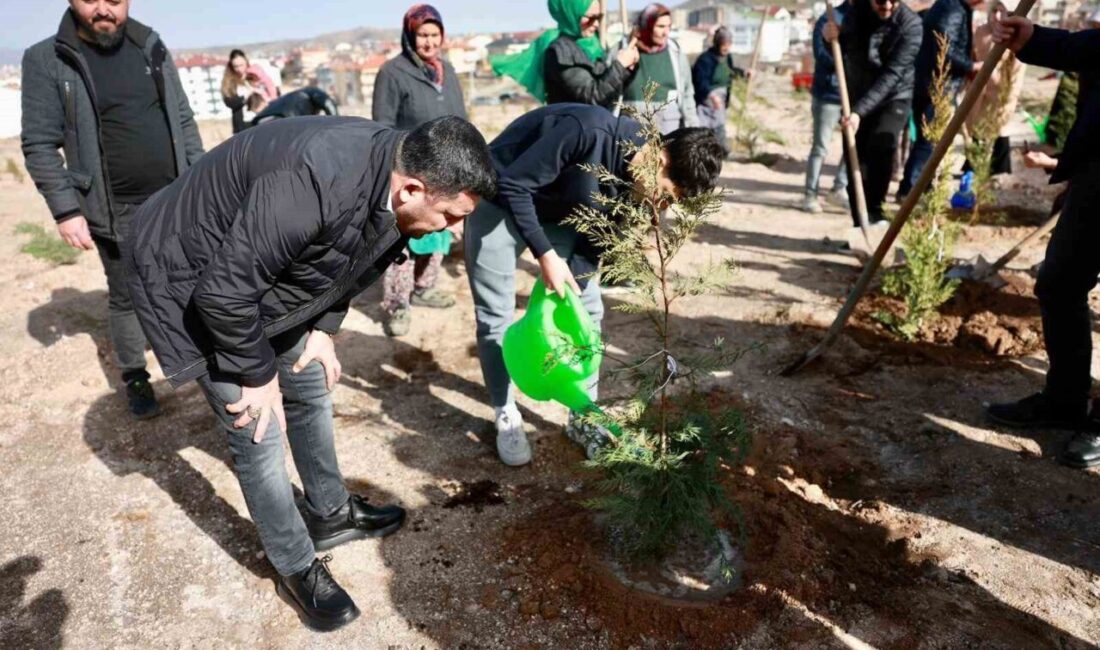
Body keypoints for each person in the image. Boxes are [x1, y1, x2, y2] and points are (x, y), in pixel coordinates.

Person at [125, 115, 496, 629]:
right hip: (189, 273)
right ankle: (295, 565)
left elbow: (358, 254)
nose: (454, 232)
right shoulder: (318, 179)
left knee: (307, 381)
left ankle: (329, 514)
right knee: (257, 430)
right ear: (413, 188)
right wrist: (255, 376)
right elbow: (225, 295)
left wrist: (324, 325)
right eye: (452, 216)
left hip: (252, 270)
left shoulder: (393, 177)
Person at [464, 104, 724, 466]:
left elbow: (593, 239)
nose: (658, 206)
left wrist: (570, 290)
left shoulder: (634, 187)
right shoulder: (586, 131)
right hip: (501, 202)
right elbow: (514, 185)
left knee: (587, 308)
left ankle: (583, 417)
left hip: (560, 215)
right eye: (665, 194)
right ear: (659, 159)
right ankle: (505, 412)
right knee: (496, 313)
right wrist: (545, 255)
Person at [21, 0, 204, 419]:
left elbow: (182, 118)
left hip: (175, 197)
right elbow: (39, 144)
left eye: (115, 1)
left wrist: (204, 181)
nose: (104, 9)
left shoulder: (150, 45)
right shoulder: (47, 59)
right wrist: (67, 210)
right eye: (91, 0)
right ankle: (135, 376)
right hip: (113, 207)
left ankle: (202, 362)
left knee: (194, 279)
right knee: (126, 297)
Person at [984, 10, 1100, 469]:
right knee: (1059, 281)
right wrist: (1034, 40)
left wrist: (1038, 41)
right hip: (1097, 171)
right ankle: (1065, 398)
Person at [372, 4, 467, 336]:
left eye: (434, 35)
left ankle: (425, 288)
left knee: (438, 233)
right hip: (409, 172)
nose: (429, 42)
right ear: (410, 36)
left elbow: (461, 119)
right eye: (422, 35)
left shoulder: (448, 71)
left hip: (445, 171)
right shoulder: (392, 72)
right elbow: (382, 128)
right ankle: (398, 305)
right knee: (402, 242)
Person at [824, 0, 922, 227]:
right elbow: (845, 51)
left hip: (894, 96)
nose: (886, 5)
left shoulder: (911, 25)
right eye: (879, 0)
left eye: (892, 0)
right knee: (854, 160)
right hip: (857, 95)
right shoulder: (856, 13)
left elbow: (892, 74)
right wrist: (829, 38)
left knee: (881, 148)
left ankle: (877, 215)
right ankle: (859, 224)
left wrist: (859, 112)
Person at [897, 0, 985, 200]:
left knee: (928, 140)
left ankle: (920, 188)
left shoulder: (955, 7)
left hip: (932, 83)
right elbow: (943, 47)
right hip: (936, 85)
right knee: (928, 140)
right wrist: (970, 66)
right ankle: (910, 190)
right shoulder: (952, 8)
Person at [491, 0, 639, 107]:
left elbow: (610, 90)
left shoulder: (592, 45)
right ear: (570, 15)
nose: (595, 24)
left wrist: (628, 68)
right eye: (590, 18)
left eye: (598, 17)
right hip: (574, 136)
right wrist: (620, 65)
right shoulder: (560, 51)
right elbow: (592, 97)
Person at [962, 0, 1026, 177]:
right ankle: (972, 165)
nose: (997, 16)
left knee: (1000, 127)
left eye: (1002, 12)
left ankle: (999, 169)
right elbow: (971, 56)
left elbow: (1017, 70)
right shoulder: (980, 32)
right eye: (994, 11)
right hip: (979, 89)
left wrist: (1009, 92)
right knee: (976, 128)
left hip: (1001, 89)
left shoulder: (1015, 37)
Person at [611, 3, 699, 134]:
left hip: (668, 130)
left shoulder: (675, 53)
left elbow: (687, 94)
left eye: (669, 26)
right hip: (631, 130)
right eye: (660, 26)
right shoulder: (623, 49)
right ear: (647, 25)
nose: (666, 32)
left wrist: (693, 128)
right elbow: (607, 88)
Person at [802, 1, 852, 214]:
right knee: (820, 147)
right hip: (828, 94)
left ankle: (839, 188)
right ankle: (810, 194)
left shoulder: (863, 17)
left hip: (852, 94)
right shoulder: (829, 18)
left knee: (852, 146)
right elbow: (819, 55)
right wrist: (827, 41)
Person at [691, 26, 747, 156]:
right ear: (718, 43)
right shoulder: (705, 60)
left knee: (719, 125)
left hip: (720, 99)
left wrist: (744, 73)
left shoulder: (727, 58)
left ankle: (720, 152)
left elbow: (730, 71)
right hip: (705, 100)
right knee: (705, 128)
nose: (726, 48)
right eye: (724, 45)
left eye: (729, 44)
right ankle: (703, 152)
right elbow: (700, 81)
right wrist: (711, 95)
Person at [221, 49, 279, 134]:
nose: (239, 69)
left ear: (246, 62)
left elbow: (271, 89)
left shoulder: (255, 74)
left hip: (262, 119)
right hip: (243, 125)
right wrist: (246, 94)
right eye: (235, 66)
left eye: (241, 65)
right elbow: (230, 103)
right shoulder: (229, 82)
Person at [249, 85, 338, 126]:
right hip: (287, 120)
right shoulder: (311, 92)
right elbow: (328, 103)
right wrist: (337, 125)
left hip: (265, 124)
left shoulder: (276, 103)